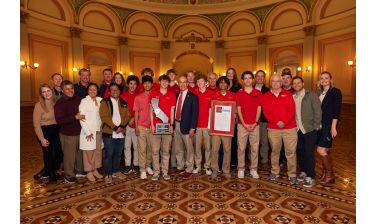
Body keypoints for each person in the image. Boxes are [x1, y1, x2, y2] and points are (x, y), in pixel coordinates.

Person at [263, 74, 298, 185]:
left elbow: (292, 110)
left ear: (281, 83)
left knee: (290, 152)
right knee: (275, 151)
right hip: (273, 128)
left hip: (289, 128)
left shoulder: (287, 94)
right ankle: (274, 171)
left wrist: (284, 121)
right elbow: (266, 112)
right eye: (273, 81)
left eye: (278, 81)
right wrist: (277, 121)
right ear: (270, 83)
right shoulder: (266, 96)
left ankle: (292, 174)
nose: (276, 83)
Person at [292, 76, 322, 188]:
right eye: (294, 83)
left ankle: (311, 176)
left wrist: (315, 126)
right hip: (298, 130)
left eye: (298, 83)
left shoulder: (311, 95)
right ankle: (304, 171)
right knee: (300, 152)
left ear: (303, 83)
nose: (296, 85)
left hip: (310, 129)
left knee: (309, 152)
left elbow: (318, 111)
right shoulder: (293, 97)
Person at [54, 80, 85, 184]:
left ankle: (79, 170)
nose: (70, 90)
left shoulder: (77, 98)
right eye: (67, 89)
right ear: (62, 90)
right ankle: (68, 175)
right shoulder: (60, 103)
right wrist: (75, 117)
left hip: (79, 131)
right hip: (67, 133)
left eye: (71, 88)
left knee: (79, 153)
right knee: (69, 156)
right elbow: (60, 120)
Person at [99, 83, 130, 183]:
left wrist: (121, 127)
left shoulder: (124, 102)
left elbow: (127, 116)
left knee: (118, 154)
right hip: (109, 132)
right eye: (112, 90)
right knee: (109, 154)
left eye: (116, 89)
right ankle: (108, 173)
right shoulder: (105, 102)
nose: (114, 91)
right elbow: (104, 117)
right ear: (109, 92)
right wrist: (115, 127)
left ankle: (116, 171)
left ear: (119, 91)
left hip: (121, 133)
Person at [33, 84, 63, 184]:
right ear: (41, 94)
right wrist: (41, 139)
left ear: (52, 91)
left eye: (48, 91)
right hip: (44, 131)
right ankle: (51, 175)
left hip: (55, 130)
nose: (47, 93)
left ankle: (50, 171)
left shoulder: (57, 103)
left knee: (59, 152)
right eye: (44, 92)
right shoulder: (39, 105)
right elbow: (36, 125)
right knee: (48, 154)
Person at [316, 71, 342, 185]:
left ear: (331, 79)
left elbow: (336, 110)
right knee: (325, 150)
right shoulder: (321, 93)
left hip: (328, 124)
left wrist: (333, 127)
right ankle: (325, 174)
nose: (324, 80)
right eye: (322, 78)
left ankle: (330, 175)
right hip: (321, 125)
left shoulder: (335, 92)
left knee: (320, 150)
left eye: (326, 78)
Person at [236, 71, 263, 179]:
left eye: (249, 78)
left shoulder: (258, 93)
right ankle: (241, 169)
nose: (247, 80)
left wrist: (255, 123)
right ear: (243, 80)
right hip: (242, 126)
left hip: (255, 126)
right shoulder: (239, 93)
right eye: (245, 78)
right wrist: (244, 124)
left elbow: (259, 109)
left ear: (253, 80)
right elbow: (238, 110)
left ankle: (253, 169)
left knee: (254, 148)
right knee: (241, 148)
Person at [149, 75, 176, 181]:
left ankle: (165, 172)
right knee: (155, 150)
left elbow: (172, 111)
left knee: (166, 150)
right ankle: (156, 172)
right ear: (159, 82)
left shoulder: (172, 95)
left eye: (166, 81)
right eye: (163, 81)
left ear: (169, 83)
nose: (164, 83)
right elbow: (151, 111)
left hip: (166, 126)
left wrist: (171, 125)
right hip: (156, 126)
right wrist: (151, 125)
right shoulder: (154, 94)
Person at [211, 76, 236, 180]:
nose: (222, 85)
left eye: (225, 83)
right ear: (218, 84)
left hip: (227, 128)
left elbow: (235, 111)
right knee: (215, 150)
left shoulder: (233, 95)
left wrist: (233, 121)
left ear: (228, 84)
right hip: (216, 128)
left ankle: (226, 170)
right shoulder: (214, 95)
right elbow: (210, 111)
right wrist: (210, 126)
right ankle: (215, 170)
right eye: (220, 83)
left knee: (227, 150)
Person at [174, 75, 198, 179]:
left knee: (189, 149)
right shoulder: (176, 95)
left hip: (187, 126)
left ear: (187, 83)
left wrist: (192, 128)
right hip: (176, 124)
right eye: (180, 82)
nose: (182, 84)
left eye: (184, 82)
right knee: (178, 148)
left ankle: (189, 168)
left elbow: (195, 114)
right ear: (178, 83)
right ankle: (180, 167)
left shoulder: (193, 97)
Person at [78, 83, 104, 182]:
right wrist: (87, 132)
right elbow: (81, 118)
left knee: (97, 151)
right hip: (88, 132)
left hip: (98, 130)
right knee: (89, 153)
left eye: (94, 90)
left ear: (97, 91)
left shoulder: (100, 100)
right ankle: (89, 172)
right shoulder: (84, 101)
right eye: (90, 89)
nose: (93, 91)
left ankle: (95, 170)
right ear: (87, 91)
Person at [134, 76, 154, 179]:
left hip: (152, 127)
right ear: (143, 85)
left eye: (149, 83)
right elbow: (136, 113)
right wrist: (136, 127)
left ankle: (148, 166)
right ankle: (142, 170)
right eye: (145, 83)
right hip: (141, 126)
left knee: (151, 149)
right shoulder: (138, 97)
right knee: (142, 149)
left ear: (152, 85)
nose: (147, 85)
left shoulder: (155, 96)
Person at [194, 73, 214, 175]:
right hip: (197, 125)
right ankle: (198, 165)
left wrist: (211, 125)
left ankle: (207, 166)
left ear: (205, 83)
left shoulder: (210, 93)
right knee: (197, 147)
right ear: (196, 83)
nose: (200, 83)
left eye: (202, 81)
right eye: (198, 82)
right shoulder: (194, 93)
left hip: (207, 125)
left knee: (208, 147)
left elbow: (213, 109)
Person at [120, 75, 140, 174]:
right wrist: (127, 120)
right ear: (127, 84)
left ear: (137, 85)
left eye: (135, 84)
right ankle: (128, 165)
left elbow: (141, 110)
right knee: (127, 146)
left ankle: (136, 164)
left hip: (136, 124)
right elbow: (121, 111)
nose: (132, 86)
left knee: (136, 146)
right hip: (126, 125)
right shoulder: (123, 96)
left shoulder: (139, 95)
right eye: (131, 84)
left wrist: (134, 119)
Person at [226, 68, 242, 169]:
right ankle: (225, 160)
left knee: (234, 139)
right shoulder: (222, 84)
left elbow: (239, 102)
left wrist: (236, 115)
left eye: (232, 73)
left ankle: (234, 160)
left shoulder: (238, 86)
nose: (230, 74)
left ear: (235, 74)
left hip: (234, 116)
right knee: (225, 139)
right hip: (224, 116)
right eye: (228, 73)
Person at [254, 70, 270, 169]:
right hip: (252, 120)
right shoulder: (249, 89)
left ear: (264, 78)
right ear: (255, 77)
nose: (260, 78)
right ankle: (252, 160)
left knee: (264, 141)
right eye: (258, 76)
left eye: (262, 76)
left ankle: (264, 160)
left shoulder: (268, 90)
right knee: (253, 141)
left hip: (264, 120)